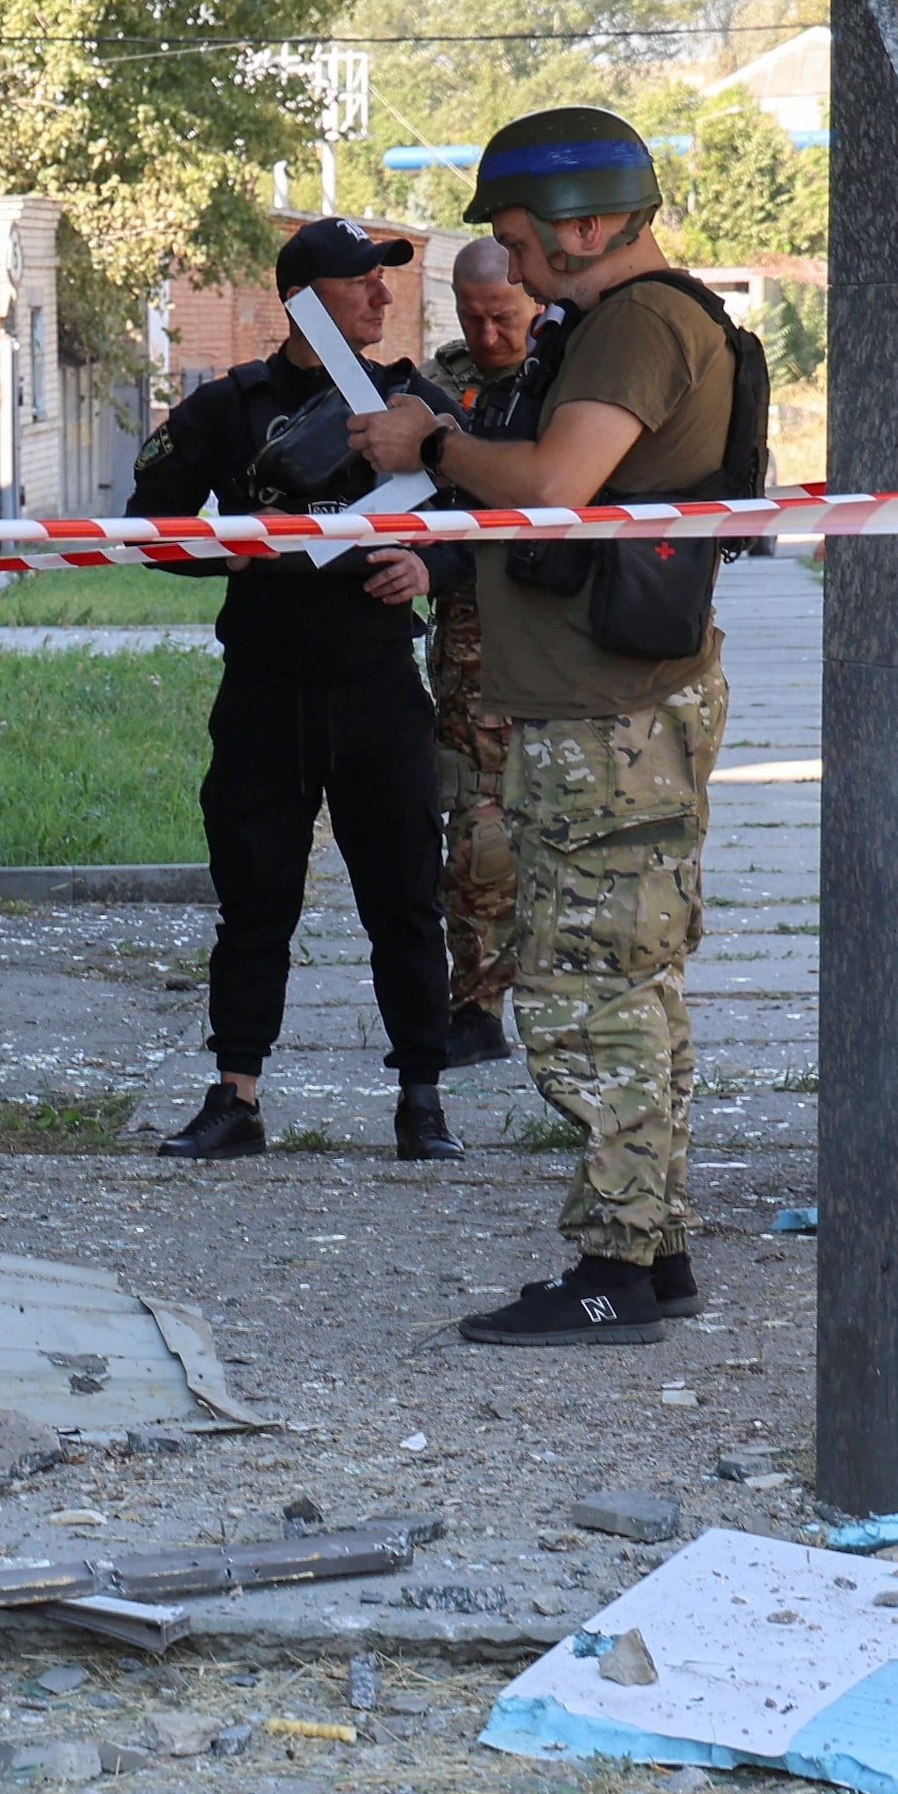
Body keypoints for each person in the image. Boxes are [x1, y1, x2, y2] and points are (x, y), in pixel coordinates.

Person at [347, 106, 744, 1345]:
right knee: (633, 982)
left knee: (584, 991)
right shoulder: (625, 321)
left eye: (517, 241)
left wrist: (435, 440)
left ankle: (614, 1268)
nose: (507, 268)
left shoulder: (638, 325)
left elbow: (552, 486)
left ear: (583, 226)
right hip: (609, 705)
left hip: (602, 716)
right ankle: (652, 1245)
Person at [122, 217, 462, 1164]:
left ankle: (421, 1100)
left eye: (384, 282)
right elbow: (146, 528)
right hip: (267, 688)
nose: (384, 297)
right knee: (255, 896)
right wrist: (253, 548)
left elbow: (499, 520)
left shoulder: (412, 407)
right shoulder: (232, 406)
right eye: (364, 282)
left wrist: (432, 567)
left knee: (404, 897)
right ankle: (236, 1097)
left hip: (379, 686)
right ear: (308, 298)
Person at [420, 236, 547, 1068]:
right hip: (468, 642)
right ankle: (474, 1003)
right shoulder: (440, 385)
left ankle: (567, 995)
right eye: (476, 317)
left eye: (504, 315)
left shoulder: (568, 378)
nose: (491, 333)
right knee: (476, 827)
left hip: (554, 632)